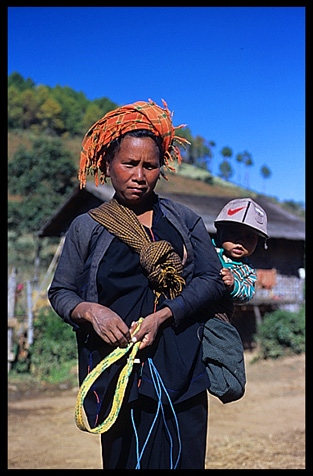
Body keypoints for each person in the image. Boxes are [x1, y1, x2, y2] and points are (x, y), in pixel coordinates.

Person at [48, 99, 225, 469]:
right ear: (109, 165)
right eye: (129, 164)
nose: (139, 175)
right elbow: (60, 292)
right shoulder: (88, 226)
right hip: (116, 375)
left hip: (183, 371)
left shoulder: (184, 221)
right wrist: (90, 311)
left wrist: (163, 316)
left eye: (150, 165)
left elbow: (210, 281)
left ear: (161, 169)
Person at [201, 198, 269, 404]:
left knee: (228, 353)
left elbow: (247, 293)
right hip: (188, 311)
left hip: (217, 318)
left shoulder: (246, 271)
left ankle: (225, 384)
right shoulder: (204, 250)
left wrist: (232, 285)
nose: (241, 242)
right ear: (219, 232)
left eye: (250, 237)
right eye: (233, 234)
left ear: (259, 243)